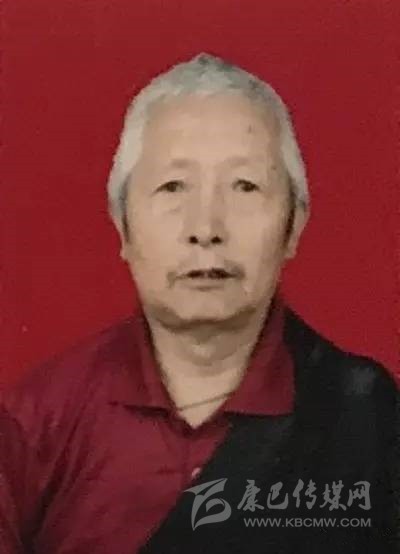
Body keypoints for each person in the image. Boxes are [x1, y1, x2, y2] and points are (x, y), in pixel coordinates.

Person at [0, 53, 398, 553]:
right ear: (122, 225)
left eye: (245, 186)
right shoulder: (33, 424)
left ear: (294, 225)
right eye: (173, 187)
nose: (206, 228)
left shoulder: (368, 416)